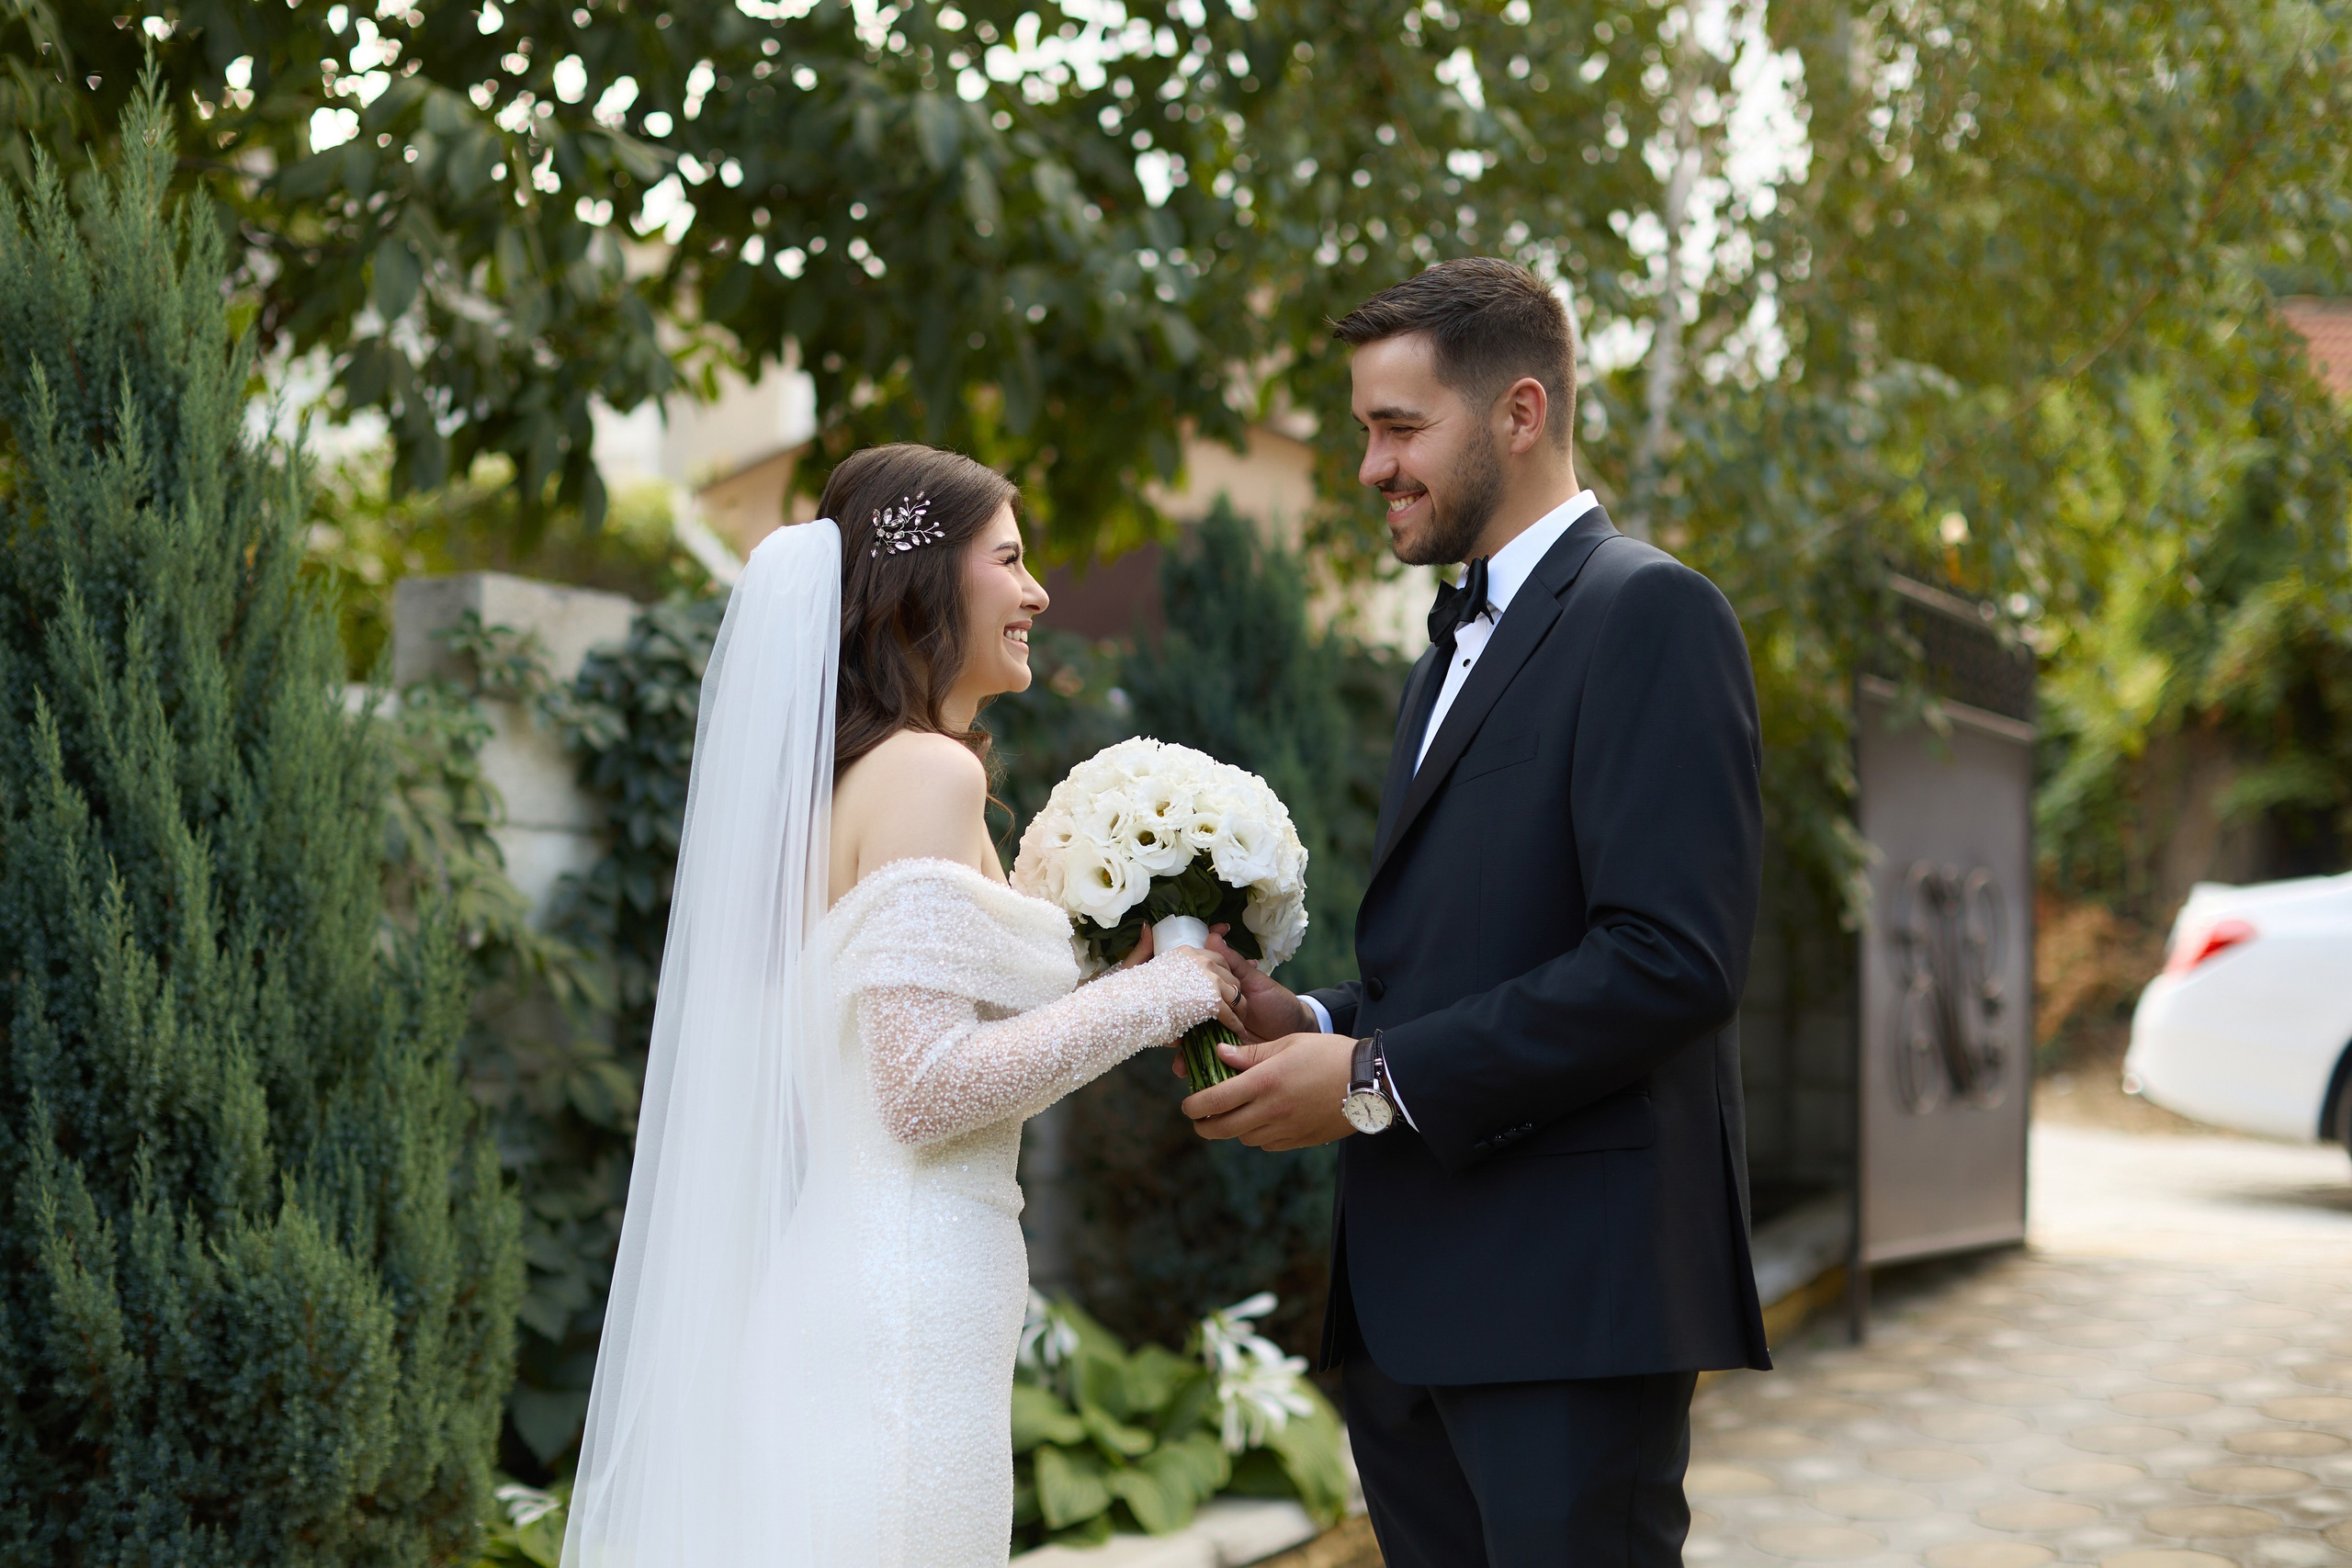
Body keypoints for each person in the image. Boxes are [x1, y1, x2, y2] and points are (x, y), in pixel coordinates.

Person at [1185, 258, 1771, 1566]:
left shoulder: (1653, 612)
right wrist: (1318, 1014)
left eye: (1399, 428)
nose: (1368, 466)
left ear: (1518, 411)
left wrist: (1372, 1076)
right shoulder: (1447, 650)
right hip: (1412, 1314)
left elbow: (1671, 958)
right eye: (1364, 430)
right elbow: (1477, 948)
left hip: (1570, 1307)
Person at [561, 444, 1242, 1567]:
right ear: (926, 582)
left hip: (872, 1278)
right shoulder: (931, 775)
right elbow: (925, 1087)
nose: (1038, 594)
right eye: (1011, 560)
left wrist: (1133, 982)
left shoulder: (853, 780)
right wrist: (1160, 998)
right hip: (903, 1295)